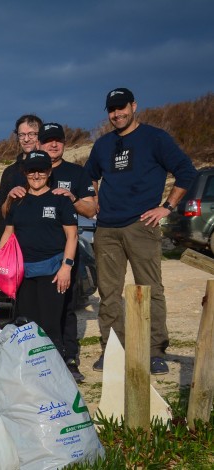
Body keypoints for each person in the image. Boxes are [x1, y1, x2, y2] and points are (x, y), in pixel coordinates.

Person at [84, 87, 197, 374]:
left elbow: (186, 172)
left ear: (134, 106)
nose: (117, 114)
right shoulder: (103, 145)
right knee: (109, 292)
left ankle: (154, 350)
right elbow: (89, 176)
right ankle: (112, 349)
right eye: (112, 110)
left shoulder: (155, 138)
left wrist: (167, 207)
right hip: (107, 228)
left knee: (150, 289)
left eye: (122, 107)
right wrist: (94, 199)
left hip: (142, 225)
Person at [0, 150, 78, 358]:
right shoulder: (18, 200)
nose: (36, 175)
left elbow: (72, 236)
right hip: (23, 272)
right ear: (25, 173)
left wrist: (66, 266)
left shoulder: (60, 200)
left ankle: (56, 371)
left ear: (49, 172)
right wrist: (0, 267)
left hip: (53, 271)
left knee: (50, 325)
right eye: (31, 171)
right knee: (26, 325)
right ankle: (32, 369)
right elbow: (8, 233)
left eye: (41, 170)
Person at [39, 122, 97, 383]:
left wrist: (72, 198)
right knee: (36, 308)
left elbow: (91, 209)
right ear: (39, 144)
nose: (53, 145)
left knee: (67, 307)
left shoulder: (76, 172)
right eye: (48, 140)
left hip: (67, 250)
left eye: (58, 140)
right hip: (35, 253)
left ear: (64, 143)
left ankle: (69, 358)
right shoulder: (30, 171)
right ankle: (39, 360)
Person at [0, 114, 44, 242]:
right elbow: (1, 215)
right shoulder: (9, 172)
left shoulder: (50, 168)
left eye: (32, 134)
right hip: (15, 240)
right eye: (22, 135)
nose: (26, 139)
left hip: (46, 241)